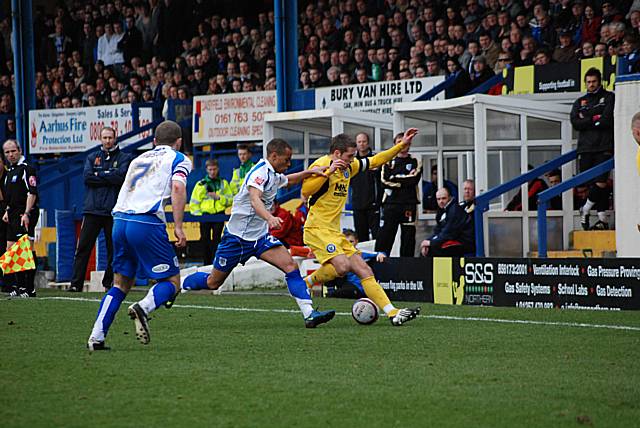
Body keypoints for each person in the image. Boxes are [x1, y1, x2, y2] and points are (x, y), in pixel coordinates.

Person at [182, 139, 335, 329]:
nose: (288, 164)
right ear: (273, 156)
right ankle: (178, 285)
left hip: (259, 238)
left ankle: (309, 314)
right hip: (236, 238)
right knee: (213, 282)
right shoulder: (259, 173)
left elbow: (289, 180)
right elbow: (255, 199)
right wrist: (270, 218)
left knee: (290, 266)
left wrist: (310, 173)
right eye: (286, 160)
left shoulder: (273, 173)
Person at [87, 120, 192, 351]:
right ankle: (142, 308)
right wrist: (179, 226)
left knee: (120, 283)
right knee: (172, 282)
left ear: (154, 141)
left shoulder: (138, 159)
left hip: (120, 221)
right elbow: (177, 188)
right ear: (179, 142)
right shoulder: (179, 158)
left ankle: (96, 336)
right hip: (145, 221)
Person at [302, 129, 421, 326]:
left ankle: (393, 313)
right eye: (350, 156)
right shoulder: (321, 164)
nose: (353, 160)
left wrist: (401, 145)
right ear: (338, 153)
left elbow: (375, 161)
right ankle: (306, 283)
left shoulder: (349, 167)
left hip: (334, 232)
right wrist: (328, 173)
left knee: (363, 268)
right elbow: (306, 191)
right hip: (316, 229)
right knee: (343, 266)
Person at [68, 127, 132, 292]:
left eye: (110, 137)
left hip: (113, 211)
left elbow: (121, 178)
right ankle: (76, 284)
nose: (108, 141)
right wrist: (109, 174)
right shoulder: (92, 157)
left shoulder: (125, 157)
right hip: (92, 210)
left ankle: (108, 284)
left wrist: (100, 175)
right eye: (104, 137)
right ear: (100, 138)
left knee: (114, 250)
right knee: (83, 248)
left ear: (115, 138)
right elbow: (87, 178)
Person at [570, 67, 614, 230]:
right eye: (588, 82)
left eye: (594, 81)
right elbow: (575, 122)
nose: (591, 85)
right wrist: (595, 119)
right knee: (588, 184)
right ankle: (602, 217)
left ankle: (586, 209)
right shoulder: (580, 101)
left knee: (601, 182)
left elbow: (607, 120)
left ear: (600, 81)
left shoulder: (609, 97)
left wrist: (587, 120)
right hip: (586, 147)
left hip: (604, 146)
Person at [375, 132, 422, 257]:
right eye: (399, 142)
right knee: (386, 234)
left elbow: (413, 179)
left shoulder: (415, 160)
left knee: (408, 236)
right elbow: (384, 181)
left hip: (409, 204)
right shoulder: (388, 161)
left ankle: (407, 267)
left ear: (409, 144)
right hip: (391, 203)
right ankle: (380, 262)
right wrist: (402, 181)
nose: (403, 145)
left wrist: (394, 178)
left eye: (405, 142)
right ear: (395, 144)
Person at [3, 140, 39, 298]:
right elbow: (12, 196)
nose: (10, 155)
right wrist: (7, 210)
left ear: (19, 150)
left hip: (24, 215)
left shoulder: (27, 169)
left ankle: (29, 288)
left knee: (25, 250)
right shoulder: (9, 172)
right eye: (7, 152)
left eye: (13, 151)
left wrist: (26, 213)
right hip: (12, 214)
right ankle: (16, 285)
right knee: (10, 250)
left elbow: (32, 192)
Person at [189, 158, 233, 265]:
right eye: (210, 169)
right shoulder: (201, 184)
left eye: (214, 169)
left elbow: (230, 200)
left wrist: (218, 197)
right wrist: (200, 215)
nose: (212, 172)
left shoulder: (224, 183)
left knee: (217, 240)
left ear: (218, 169)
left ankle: (216, 263)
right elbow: (194, 203)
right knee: (205, 240)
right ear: (206, 170)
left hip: (219, 215)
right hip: (205, 216)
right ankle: (206, 263)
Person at [325, 229, 386, 299]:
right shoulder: (338, 255)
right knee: (329, 267)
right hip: (345, 283)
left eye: (351, 241)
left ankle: (332, 294)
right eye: (345, 242)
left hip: (357, 286)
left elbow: (380, 253)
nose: (348, 244)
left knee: (342, 292)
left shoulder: (360, 253)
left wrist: (380, 254)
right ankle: (330, 291)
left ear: (356, 242)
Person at [420, 187, 474, 257]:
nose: (441, 201)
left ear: (449, 198)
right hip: (453, 238)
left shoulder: (454, 210)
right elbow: (438, 231)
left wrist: (430, 243)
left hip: (463, 242)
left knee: (433, 249)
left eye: (443, 198)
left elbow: (448, 233)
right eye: (438, 199)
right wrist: (428, 241)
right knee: (427, 248)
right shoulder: (442, 210)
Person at [350, 132, 382, 242]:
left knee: (377, 236)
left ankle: (378, 258)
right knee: (361, 237)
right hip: (358, 205)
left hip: (373, 205)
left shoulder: (375, 160)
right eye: (359, 142)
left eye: (364, 141)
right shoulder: (352, 161)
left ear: (368, 143)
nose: (362, 144)